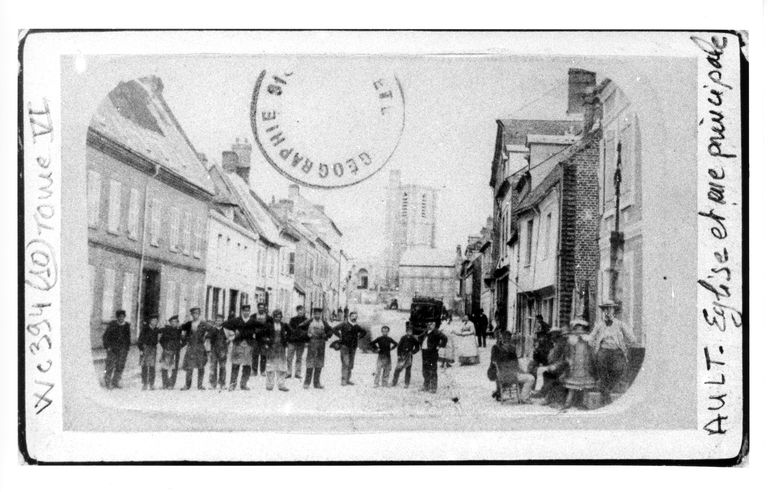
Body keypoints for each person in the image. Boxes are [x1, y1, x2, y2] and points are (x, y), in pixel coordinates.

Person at [590, 301, 636, 405]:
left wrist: (627, 344)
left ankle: (606, 391)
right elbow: (591, 338)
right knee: (602, 370)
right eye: (605, 309)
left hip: (616, 351)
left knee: (618, 369)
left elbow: (632, 338)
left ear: (614, 311)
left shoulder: (620, 324)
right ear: (603, 311)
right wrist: (594, 344)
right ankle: (606, 395)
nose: (608, 311)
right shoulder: (599, 325)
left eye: (610, 309)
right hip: (603, 351)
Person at [488, 331, 535, 403]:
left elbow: (493, 362)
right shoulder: (512, 349)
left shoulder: (495, 348)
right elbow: (515, 364)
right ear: (509, 339)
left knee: (523, 374)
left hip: (501, 376)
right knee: (530, 378)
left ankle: (500, 391)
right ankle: (524, 398)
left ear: (502, 339)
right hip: (511, 376)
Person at [562, 317, 597, 409]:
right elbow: (567, 353)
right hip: (575, 366)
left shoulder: (586, 341)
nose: (579, 331)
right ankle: (567, 403)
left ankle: (584, 403)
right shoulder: (572, 341)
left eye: (581, 329)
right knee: (572, 387)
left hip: (584, 365)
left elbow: (590, 353)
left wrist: (589, 362)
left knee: (585, 386)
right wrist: (569, 361)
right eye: (577, 329)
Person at [533, 325, 569, 406]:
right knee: (544, 372)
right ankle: (545, 395)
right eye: (552, 335)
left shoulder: (562, 345)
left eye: (554, 334)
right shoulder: (556, 344)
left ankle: (546, 396)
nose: (552, 336)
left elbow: (564, 360)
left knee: (547, 374)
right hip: (558, 366)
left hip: (563, 368)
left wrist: (555, 365)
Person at [300, 307, 333, 389]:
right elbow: (300, 328)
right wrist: (306, 334)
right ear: (313, 314)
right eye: (315, 313)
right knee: (310, 362)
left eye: (319, 313)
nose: (317, 315)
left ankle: (316, 383)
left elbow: (330, 331)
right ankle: (306, 383)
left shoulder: (324, 322)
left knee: (319, 362)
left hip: (321, 344)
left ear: (321, 314)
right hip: (312, 343)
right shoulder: (309, 321)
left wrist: (327, 335)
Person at [332, 311, 367, 385]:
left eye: (355, 316)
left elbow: (364, 332)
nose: (354, 317)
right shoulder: (344, 324)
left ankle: (348, 379)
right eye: (353, 316)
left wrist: (358, 337)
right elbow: (334, 329)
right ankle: (343, 380)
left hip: (353, 347)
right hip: (344, 346)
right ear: (349, 317)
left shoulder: (357, 326)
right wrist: (340, 336)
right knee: (345, 363)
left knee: (351, 364)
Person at [224, 305, 254, 391]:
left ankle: (243, 384)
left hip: (248, 344)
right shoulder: (236, 320)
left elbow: (260, 328)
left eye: (248, 311)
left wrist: (254, 333)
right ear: (242, 311)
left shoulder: (252, 321)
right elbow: (225, 325)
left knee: (247, 365)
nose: (246, 312)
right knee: (235, 364)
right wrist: (233, 332)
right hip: (238, 344)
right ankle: (232, 384)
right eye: (244, 311)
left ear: (249, 311)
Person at [180, 307, 209, 391]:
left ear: (199, 314)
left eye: (197, 313)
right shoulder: (189, 324)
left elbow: (212, 330)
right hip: (191, 347)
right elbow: (181, 329)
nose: (195, 315)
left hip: (200, 347)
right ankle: (187, 385)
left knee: (201, 366)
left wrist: (205, 337)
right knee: (189, 366)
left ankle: (200, 385)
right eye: (193, 313)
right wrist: (183, 337)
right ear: (191, 315)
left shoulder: (204, 323)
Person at [261, 309, 291, 391]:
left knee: (282, 366)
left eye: (279, 317)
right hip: (272, 347)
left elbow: (291, 332)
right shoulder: (268, 325)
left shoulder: (284, 325)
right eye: (276, 317)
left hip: (281, 348)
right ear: (273, 317)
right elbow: (262, 335)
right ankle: (269, 385)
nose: (278, 318)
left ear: (281, 317)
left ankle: (281, 385)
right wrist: (266, 342)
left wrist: (286, 339)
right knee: (270, 366)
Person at [102, 309, 131, 389]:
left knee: (120, 366)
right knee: (110, 365)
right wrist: (107, 347)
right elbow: (105, 336)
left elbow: (128, 338)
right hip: (112, 349)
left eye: (123, 317)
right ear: (117, 317)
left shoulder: (126, 325)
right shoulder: (112, 325)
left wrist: (127, 348)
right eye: (119, 317)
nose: (121, 318)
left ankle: (116, 381)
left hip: (122, 350)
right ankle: (107, 381)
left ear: (124, 317)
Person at [420, 321, 448, 393]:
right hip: (425, 352)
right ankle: (426, 386)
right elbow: (420, 337)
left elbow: (445, 338)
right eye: (428, 324)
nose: (429, 326)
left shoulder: (436, 332)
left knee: (432, 370)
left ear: (434, 325)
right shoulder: (426, 331)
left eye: (431, 324)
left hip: (432, 353)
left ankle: (433, 387)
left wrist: (440, 345)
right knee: (425, 369)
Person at [391, 323, 420, 388]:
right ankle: (394, 382)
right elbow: (399, 346)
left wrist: (413, 352)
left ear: (412, 332)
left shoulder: (414, 339)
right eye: (408, 331)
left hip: (409, 355)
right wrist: (398, 355)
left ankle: (406, 383)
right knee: (398, 369)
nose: (409, 332)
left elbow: (417, 347)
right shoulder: (403, 338)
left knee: (408, 369)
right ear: (406, 331)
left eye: (411, 331)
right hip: (402, 355)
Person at [137, 313, 160, 390]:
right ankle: (144, 384)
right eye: (153, 320)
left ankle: (152, 384)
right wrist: (141, 349)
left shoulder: (156, 330)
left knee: (152, 366)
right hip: (145, 348)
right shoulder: (145, 329)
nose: (155, 322)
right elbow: (140, 340)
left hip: (153, 349)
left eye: (156, 321)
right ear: (150, 321)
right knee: (144, 366)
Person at [159, 315, 182, 389]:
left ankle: (171, 384)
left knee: (174, 368)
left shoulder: (179, 331)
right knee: (164, 367)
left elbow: (184, 339)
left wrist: (179, 346)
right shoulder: (166, 330)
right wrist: (165, 347)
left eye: (175, 322)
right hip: (167, 350)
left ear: (178, 323)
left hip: (176, 351)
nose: (173, 323)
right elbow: (161, 340)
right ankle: (165, 383)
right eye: (172, 322)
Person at [208, 313, 230, 391]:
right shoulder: (212, 329)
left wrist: (228, 341)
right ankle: (212, 384)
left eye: (220, 320)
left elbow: (230, 337)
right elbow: (208, 338)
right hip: (214, 350)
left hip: (223, 350)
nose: (219, 322)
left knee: (222, 367)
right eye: (217, 320)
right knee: (213, 367)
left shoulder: (225, 330)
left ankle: (222, 383)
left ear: (223, 321)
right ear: (215, 321)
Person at [286, 305, 308, 379]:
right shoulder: (293, 319)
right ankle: (289, 372)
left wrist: (305, 339)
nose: (300, 312)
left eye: (302, 310)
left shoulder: (306, 320)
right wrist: (288, 340)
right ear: (297, 311)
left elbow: (308, 331)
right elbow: (289, 330)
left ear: (304, 311)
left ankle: (297, 373)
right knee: (289, 358)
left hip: (300, 342)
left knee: (299, 358)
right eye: (299, 310)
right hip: (292, 341)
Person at [251, 302, 270, 376]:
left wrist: (268, 337)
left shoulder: (268, 318)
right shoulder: (253, 316)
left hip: (264, 338)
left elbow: (270, 328)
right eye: (260, 308)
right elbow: (250, 326)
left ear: (264, 308)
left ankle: (263, 370)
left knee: (264, 355)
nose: (261, 309)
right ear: (258, 308)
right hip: (256, 338)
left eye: (262, 308)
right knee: (255, 355)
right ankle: (254, 371)